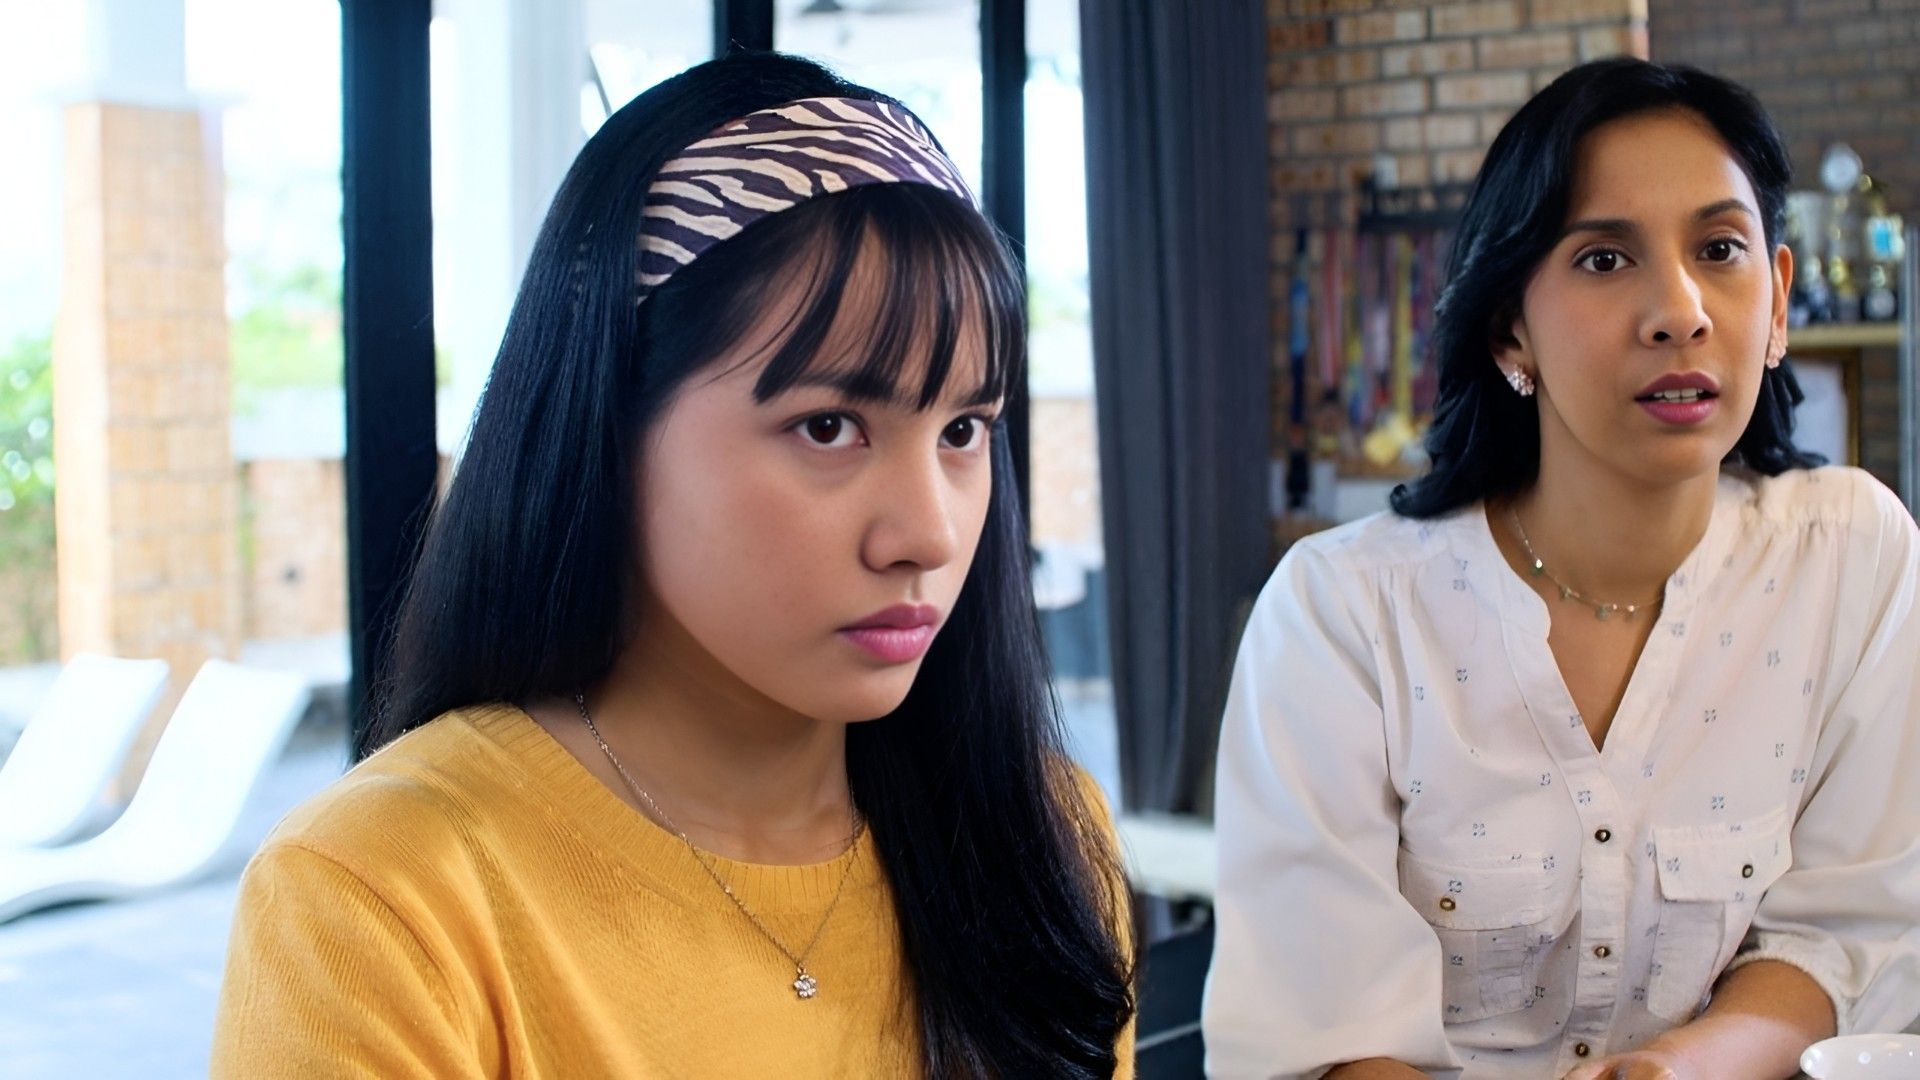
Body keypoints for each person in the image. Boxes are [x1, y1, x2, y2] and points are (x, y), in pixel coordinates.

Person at [212, 51, 1134, 1078]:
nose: (929, 534)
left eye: (964, 430)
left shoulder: (1042, 842)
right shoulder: (382, 898)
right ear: (610, 427)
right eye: (829, 426)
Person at [1204, 58, 1920, 1079]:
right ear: (1511, 327)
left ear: (1778, 301)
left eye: (1720, 249)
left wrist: (1678, 1067)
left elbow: (1852, 933)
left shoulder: (1850, 556)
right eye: (1604, 259)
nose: (1680, 311)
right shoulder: (1343, 614)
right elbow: (1324, 1030)